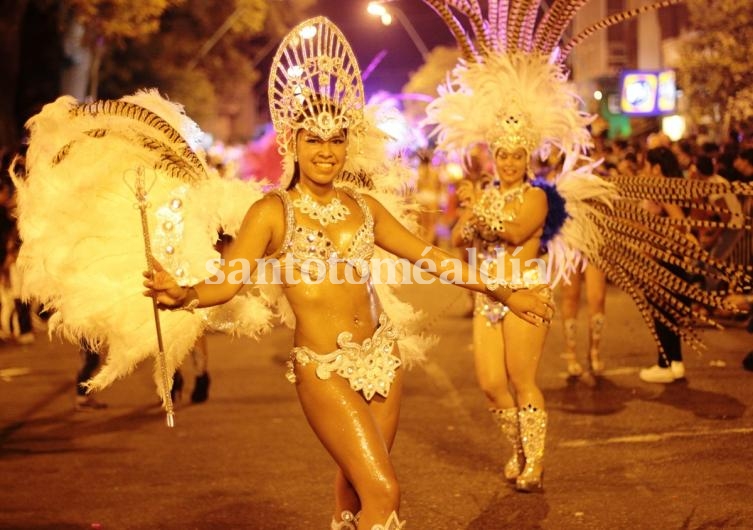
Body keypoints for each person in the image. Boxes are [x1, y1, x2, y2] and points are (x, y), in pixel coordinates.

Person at [144, 17, 553, 530]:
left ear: (346, 145)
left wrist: (505, 289)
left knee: (355, 485)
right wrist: (181, 293)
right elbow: (228, 280)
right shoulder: (272, 213)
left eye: (336, 140)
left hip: (383, 360)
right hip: (324, 368)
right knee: (385, 489)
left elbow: (431, 257)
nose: (326, 151)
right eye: (314, 140)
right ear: (294, 143)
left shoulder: (364, 207)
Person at [450, 139, 552, 493]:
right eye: (503, 155)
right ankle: (519, 449)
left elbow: (515, 231)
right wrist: (467, 209)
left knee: (522, 379)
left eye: (517, 155)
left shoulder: (536, 196)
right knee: (492, 385)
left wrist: (477, 206)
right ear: (494, 158)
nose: (509, 162)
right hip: (488, 294)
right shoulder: (485, 194)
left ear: (528, 158)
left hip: (525, 290)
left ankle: (535, 461)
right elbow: (458, 239)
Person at [638, 147, 695, 383]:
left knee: (662, 313)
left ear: (656, 168)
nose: (644, 170)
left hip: (663, 259)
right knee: (670, 312)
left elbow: (679, 222)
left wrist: (657, 242)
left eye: (646, 165)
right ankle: (676, 363)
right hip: (671, 260)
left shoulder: (662, 190)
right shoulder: (674, 186)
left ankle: (665, 365)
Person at [558, 263, 608, 378]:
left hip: (593, 246)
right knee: (570, 296)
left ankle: (594, 351)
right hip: (568, 246)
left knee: (597, 297)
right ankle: (570, 353)